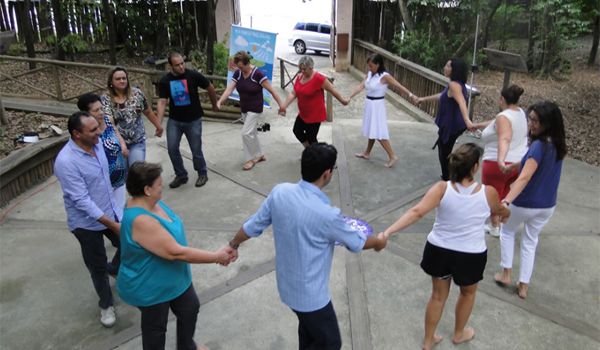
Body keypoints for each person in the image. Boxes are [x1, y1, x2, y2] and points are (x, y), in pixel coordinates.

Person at [227, 143, 388, 349]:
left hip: (287, 287)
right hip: (312, 298)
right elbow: (358, 241)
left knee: (309, 332)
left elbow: (252, 226)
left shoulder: (280, 192)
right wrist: (379, 242)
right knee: (330, 343)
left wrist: (234, 244)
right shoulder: (327, 215)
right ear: (327, 174)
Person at [381, 143, 509, 350]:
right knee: (468, 293)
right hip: (470, 255)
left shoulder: (442, 188)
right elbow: (499, 212)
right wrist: (503, 214)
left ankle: (428, 340)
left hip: (439, 250)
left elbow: (417, 212)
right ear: (475, 167)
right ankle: (459, 334)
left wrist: (388, 232)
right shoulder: (489, 192)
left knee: (438, 296)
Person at [117, 162, 235, 350]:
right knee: (155, 329)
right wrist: (216, 256)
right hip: (151, 287)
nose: (162, 186)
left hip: (174, 277)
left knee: (190, 308)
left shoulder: (151, 201)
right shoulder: (141, 220)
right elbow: (175, 252)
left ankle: (187, 346)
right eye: (158, 185)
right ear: (146, 189)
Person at [54, 111, 122, 328]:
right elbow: (82, 201)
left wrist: (116, 215)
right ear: (76, 134)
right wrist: (113, 225)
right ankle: (106, 305)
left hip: (109, 212)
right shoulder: (66, 162)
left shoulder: (98, 143)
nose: (98, 132)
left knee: (129, 245)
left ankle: (114, 269)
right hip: (85, 223)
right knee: (96, 267)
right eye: (93, 130)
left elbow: (104, 180)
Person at [493, 101, 566, 299]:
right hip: (547, 206)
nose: (531, 124)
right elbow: (531, 163)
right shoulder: (557, 144)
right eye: (530, 119)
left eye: (536, 121)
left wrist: (506, 201)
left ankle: (506, 273)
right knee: (530, 242)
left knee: (507, 232)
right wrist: (514, 166)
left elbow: (525, 177)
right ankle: (523, 285)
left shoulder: (537, 146)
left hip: (524, 203)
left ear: (547, 123)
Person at [473, 85, 528, 237]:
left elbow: (505, 137)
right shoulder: (520, 113)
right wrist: (477, 125)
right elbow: (497, 123)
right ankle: (503, 223)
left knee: (491, 196)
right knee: (504, 195)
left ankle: (494, 225)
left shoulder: (503, 117)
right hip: (518, 163)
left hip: (497, 164)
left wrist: (501, 160)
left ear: (502, 99)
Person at [157, 52, 218, 188]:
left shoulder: (193, 75)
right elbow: (162, 101)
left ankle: (202, 173)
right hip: (174, 120)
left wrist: (214, 104)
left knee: (196, 149)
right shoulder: (165, 81)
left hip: (193, 119)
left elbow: (210, 87)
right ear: (170, 66)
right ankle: (181, 175)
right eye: (177, 65)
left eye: (182, 63)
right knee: (172, 148)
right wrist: (158, 123)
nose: (181, 67)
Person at [216, 50, 285, 171]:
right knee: (252, 133)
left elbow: (272, 91)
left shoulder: (257, 74)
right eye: (239, 67)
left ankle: (250, 159)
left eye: (242, 67)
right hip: (245, 108)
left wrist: (281, 106)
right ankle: (259, 155)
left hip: (255, 108)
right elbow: (229, 89)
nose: (241, 69)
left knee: (245, 133)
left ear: (248, 63)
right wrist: (220, 101)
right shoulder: (238, 73)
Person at [349, 53, 415, 168]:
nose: (369, 68)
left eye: (371, 66)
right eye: (368, 66)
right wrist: (349, 96)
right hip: (369, 104)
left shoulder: (384, 76)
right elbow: (360, 86)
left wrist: (411, 95)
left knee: (378, 132)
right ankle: (367, 152)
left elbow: (398, 86)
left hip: (377, 106)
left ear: (378, 64)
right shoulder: (369, 74)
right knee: (371, 129)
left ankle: (392, 155)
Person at [415, 58, 475, 180]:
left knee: (444, 153)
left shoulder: (454, 85)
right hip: (452, 124)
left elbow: (462, 102)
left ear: (454, 70)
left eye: (448, 66)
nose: (445, 68)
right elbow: (442, 95)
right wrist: (423, 99)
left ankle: (450, 178)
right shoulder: (456, 84)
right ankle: (450, 176)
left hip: (452, 125)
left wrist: (468, 120)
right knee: (444, 149)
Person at [280, 56, 349, 148]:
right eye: (300, 69)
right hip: (303, 114)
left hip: (315, 115)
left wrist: (343, 100)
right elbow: (293, 93)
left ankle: (316, 156)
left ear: (311, 68)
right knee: (297, 131)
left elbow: (333, 90)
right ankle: (309, 151)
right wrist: (284, 106)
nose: (302, 71)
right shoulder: (299, 77)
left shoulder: (319, 78)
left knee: (311, 137)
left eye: (304, 69)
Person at [78, 93, 128, 220]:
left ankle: (119, 235)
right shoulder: (85, 133)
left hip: (119, 175)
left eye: (101, 108)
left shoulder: (107, 120)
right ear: (85, 113)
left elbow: (116, 132)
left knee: (120, 210)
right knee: (106, 213)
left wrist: (122, 145)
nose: (101, 112)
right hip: (102, 181)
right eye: (96, 110)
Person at [101, 66, 163, 168]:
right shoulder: (105, 99)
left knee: (136, 172)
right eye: (118, 79)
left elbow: (148, 111)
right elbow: (110, 124)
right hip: (116, 143)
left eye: (124, 78)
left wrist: (158, 126)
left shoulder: (137, 94)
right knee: (123, 176)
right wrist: (122, 143)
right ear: (111, 82)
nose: (122, 81)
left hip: (137, 140)